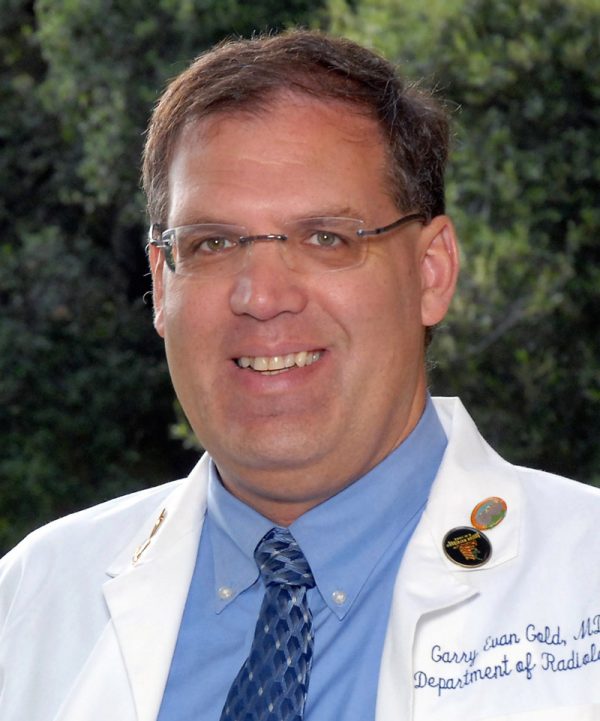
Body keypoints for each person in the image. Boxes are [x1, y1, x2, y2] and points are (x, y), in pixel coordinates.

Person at [1, 30, 599, 721]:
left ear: (431, 272)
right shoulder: (30, 601)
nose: (262, 295)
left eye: (326, 238)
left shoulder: (581, 576)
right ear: (161, 284)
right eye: (213, 243)